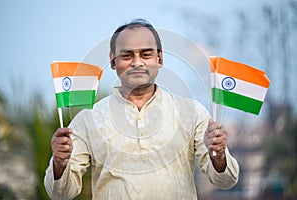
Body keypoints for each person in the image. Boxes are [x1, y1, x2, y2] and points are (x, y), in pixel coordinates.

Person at [44, 18, 239, 200]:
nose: (137, 62)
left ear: (159, 58)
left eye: (146, 54)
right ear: (113, 61)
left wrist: (219, 155)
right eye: (127, 55)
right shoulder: (88, 118)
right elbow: (61, 194)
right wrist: (59, 164)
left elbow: (225, 180)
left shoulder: (191, 112)